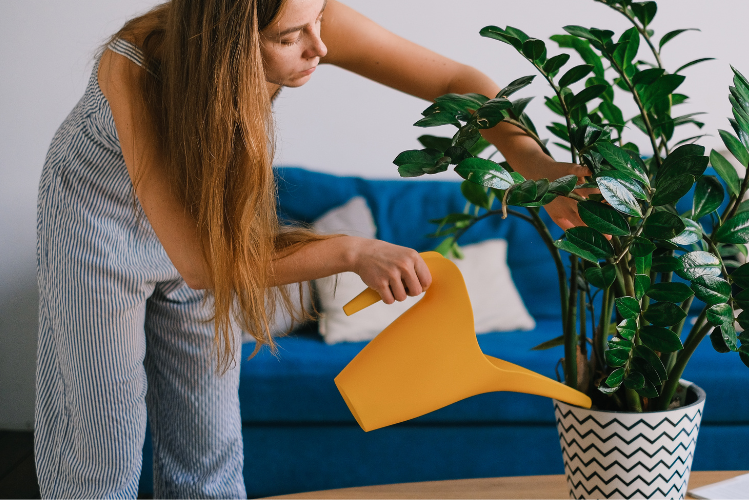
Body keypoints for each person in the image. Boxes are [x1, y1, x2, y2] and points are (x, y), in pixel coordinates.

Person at [34, 0, 590, 497]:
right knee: (102, 446)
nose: (319, 47)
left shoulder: (303, 12)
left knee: (210, 445)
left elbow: (454, 78)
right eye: (288, 38)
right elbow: (202, 267)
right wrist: (351, 252)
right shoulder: (133, 66)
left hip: (204, 224)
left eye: (319, 20)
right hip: (97, 220)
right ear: (226, 47)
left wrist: (537, 168)